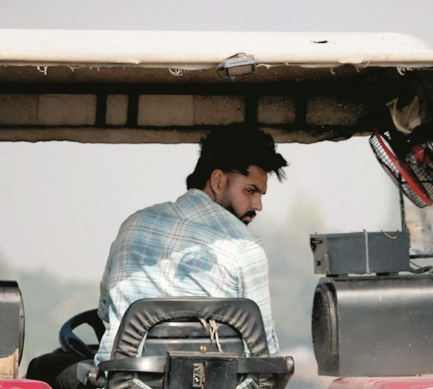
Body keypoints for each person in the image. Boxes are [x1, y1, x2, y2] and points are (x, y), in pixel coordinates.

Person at [92, 124, 288, 365]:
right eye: (250, 191)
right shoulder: (246, 249)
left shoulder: (133, 226)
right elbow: (263, 353)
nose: (258, 205)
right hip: (210, 386)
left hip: (122, 383)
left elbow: (106, 312)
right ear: (217, 181)